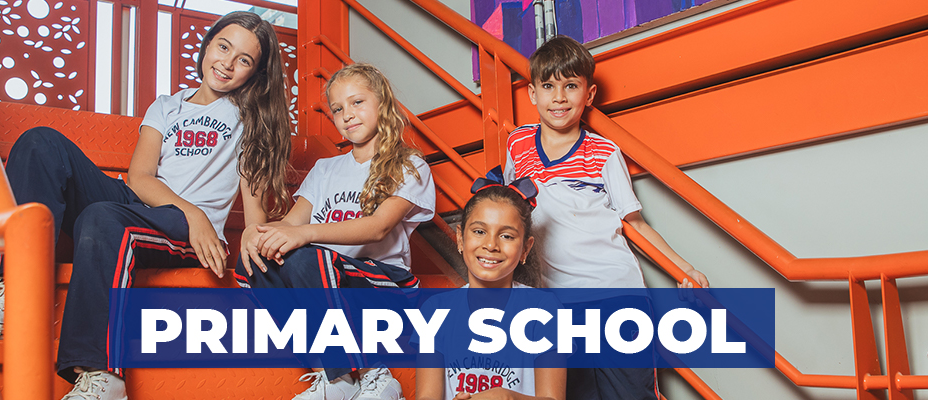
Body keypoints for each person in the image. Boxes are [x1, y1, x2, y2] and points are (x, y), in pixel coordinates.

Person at [0, 11, 292, 400]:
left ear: (255, 73)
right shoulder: (166, 106)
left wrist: (243, 239)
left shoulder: (251, 117)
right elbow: (140, 177)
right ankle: (18, 291)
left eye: (244, 60)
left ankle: (103, 375)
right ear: (208, 44)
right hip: (145, 204)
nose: (227, 63)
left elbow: (254, 207)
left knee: (101, 217)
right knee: (40, 142)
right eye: (223, 46)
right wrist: (188, 209)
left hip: (191, 232)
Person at [502, 35, 709, 400]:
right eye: (548, 86)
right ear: (533, 94)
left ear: (590, 94)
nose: (560, 97)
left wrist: (683, 268)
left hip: (617, 296)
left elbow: (634, 224)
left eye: (571, 86)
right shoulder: (517, 145)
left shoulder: (604, 151)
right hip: (558, 306)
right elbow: (509, 214)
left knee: (631, 394)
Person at [234, 63, 436, 400]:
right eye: (338, 109)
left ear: (382, 103)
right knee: (254, 261)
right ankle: (334, 378)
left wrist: (307, 234)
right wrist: (252, 234)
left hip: (385, 287)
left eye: (357, 103)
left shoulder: (409, 163)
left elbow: (377, 227)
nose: (347, 115)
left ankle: (373, 374)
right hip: (325, 278)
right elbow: (291, 224)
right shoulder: (325, 168)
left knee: (307, 258)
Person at [415, 172, 565, 400]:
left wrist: (509, 397)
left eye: (506, 236)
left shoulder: (545, 309)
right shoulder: (434, 310)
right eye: (479, 231)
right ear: (460, 239)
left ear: (525, 248)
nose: (491, 244)